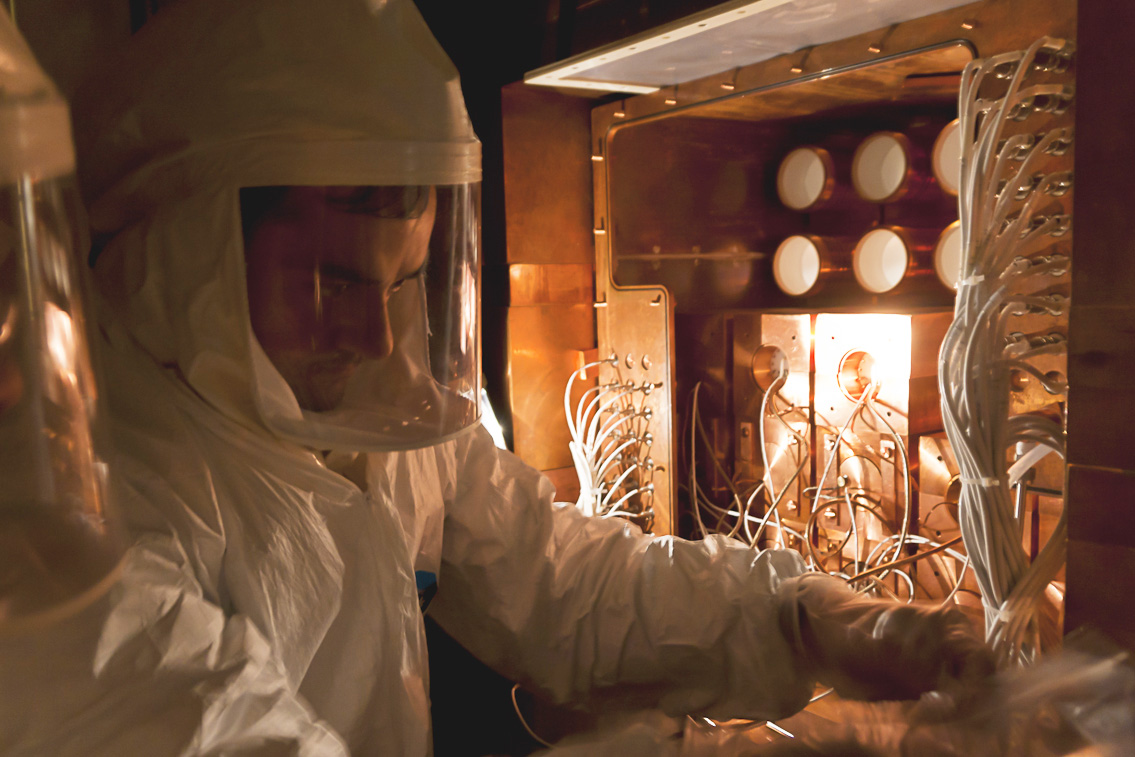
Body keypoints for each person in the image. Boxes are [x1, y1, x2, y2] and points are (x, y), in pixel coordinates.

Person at [0, 0, 990, 755]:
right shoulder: (85, 505)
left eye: (407, 278)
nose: (379, 337)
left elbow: (562, 578)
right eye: (331, 279)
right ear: (186, 248)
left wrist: (820, 620)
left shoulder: (371, 412)